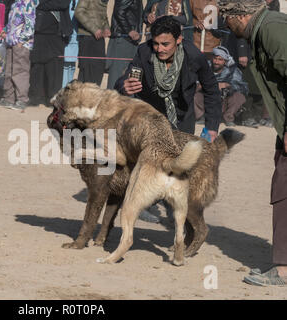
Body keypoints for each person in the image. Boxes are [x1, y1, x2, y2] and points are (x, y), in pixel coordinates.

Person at [218, 0, 287, 286]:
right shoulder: (266, 29)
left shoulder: (271, 29)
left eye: (227, 17)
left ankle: (284, 270)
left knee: (284, 190)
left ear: (242, 15)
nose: (224, 24)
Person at [115, 15, 221, 139]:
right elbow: (127, 77)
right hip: (149, 117)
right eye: (156, 43)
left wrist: (212, 128)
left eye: (165, 44)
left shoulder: (193, 56)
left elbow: (212, 90)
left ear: (179, 39)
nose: (160, 49)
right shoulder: (144, 51)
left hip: (182, 120)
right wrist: (124, 85)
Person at [29, 0, 73, 107]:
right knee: (37, 68)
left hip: (56, 35)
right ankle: (35, 97)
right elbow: (35, 3)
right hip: (38, 33)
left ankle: (52, 99)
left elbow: (63, 3)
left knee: (54, 69)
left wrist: (43, 5)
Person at [0, 0, 39, 111]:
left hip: (21, 44)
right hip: (11, 41)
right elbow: (11, 22)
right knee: (9, 71)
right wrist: (5, 30)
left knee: (20, 71)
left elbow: (30, 24)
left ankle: (22, 99)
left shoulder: (28, 3)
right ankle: (8, 98)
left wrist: (22, 40)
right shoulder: (15, 3)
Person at [195, 45, 248, 126]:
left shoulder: (233, 70)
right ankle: (201, 117)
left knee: (239, 97)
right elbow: (194, 82)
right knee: (195, 95)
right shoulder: (205, 67)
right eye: (215, 58)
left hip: (225, 100)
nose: (216, 62)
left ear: (225, 61)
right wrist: (202, 85)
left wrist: (227, 85)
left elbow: (243, 87)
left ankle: (229, 118)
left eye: (220, 59)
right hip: (207, 98)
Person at [106, 0, 144, 90]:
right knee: (116, 78)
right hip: (123, 40)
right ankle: (111, 103)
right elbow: (119, 11)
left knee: (131, 76)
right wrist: (129, 30)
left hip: (131, 41)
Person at [74, 0, 110, 86]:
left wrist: (106, 28)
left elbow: (103, 16)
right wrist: (94, 29)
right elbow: (78, 12)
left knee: (99, 70)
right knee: (87, 72)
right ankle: (83, 97)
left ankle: (94, 96)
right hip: (87, 38)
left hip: (98, 38)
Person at [62, 0, 79, 88]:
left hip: (76, 36)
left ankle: (68, 88)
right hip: (66, 35)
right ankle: (63, 88)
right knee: (65, 65)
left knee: (72, 64)